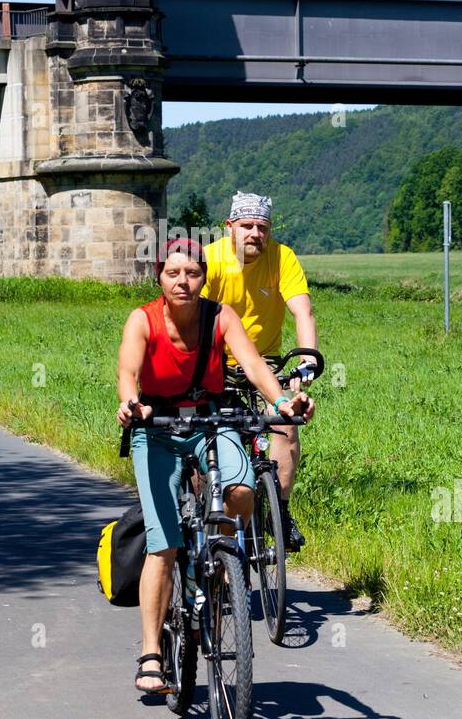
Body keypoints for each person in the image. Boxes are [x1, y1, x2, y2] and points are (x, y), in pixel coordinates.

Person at [116, 237, 315, 694]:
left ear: (204, 278)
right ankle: (151, 654)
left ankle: (220, 561)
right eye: (173, 274)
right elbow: (128, 373)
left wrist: (282, 401)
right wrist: (131, 404)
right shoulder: (142, 320)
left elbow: (253, 366)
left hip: (211, 418)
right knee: (162, 546)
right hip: (158, 426)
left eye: (192, 274)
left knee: (242, 488)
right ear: (160, 277)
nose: (183, 282)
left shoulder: (220, 316)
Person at [202, 192, 319, 552]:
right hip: (215, 358)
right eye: (247, 226)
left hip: (264, 360)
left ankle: (279, 512)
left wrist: (308, 361)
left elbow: (302, 312)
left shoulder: (282, 257)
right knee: (204, 434)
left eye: (262, 227)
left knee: (284, 422)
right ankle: (203, 512)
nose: (255, 233)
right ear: (229, 227)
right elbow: (196, 314)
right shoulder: (211, 259)